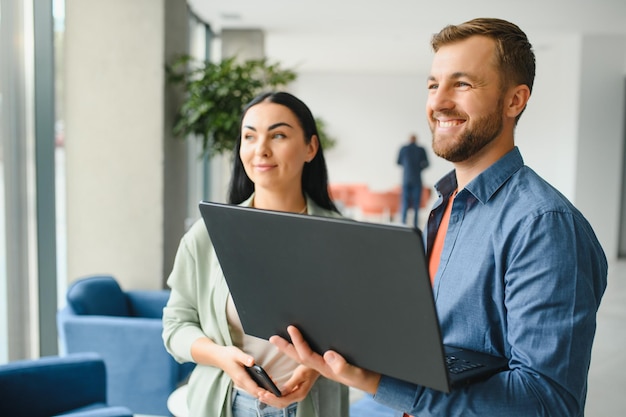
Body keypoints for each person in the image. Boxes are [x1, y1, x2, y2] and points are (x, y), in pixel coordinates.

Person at [265, 18, 608, 416]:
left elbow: (547, 404)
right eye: (433, 85)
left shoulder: (545, 225)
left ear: (515, 100)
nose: (438, 101)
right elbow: (437, 341)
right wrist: (339, 360)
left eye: (462, 84)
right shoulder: (447, 203)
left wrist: (376, 382)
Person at [162, 91, 349, 417]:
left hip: (313, 406)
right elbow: (176, 326)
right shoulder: (207, 234)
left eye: (278, 135)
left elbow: (362, 330)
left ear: (310, 148)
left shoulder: (345, 238)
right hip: (227, 405)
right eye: (249, 136)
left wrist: (316, 367)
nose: (260, 149)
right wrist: (222, 357)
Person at [397, 133, 429, 227]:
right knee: (416, 203)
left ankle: (403, 223)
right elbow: (426, 164)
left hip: (406, 179)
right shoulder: (421, 150)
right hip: (416, 179)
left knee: (405, 202)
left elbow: (398, 162)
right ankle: (415, 225)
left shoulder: (404, 149)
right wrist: (419, 169)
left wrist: (407, 167)